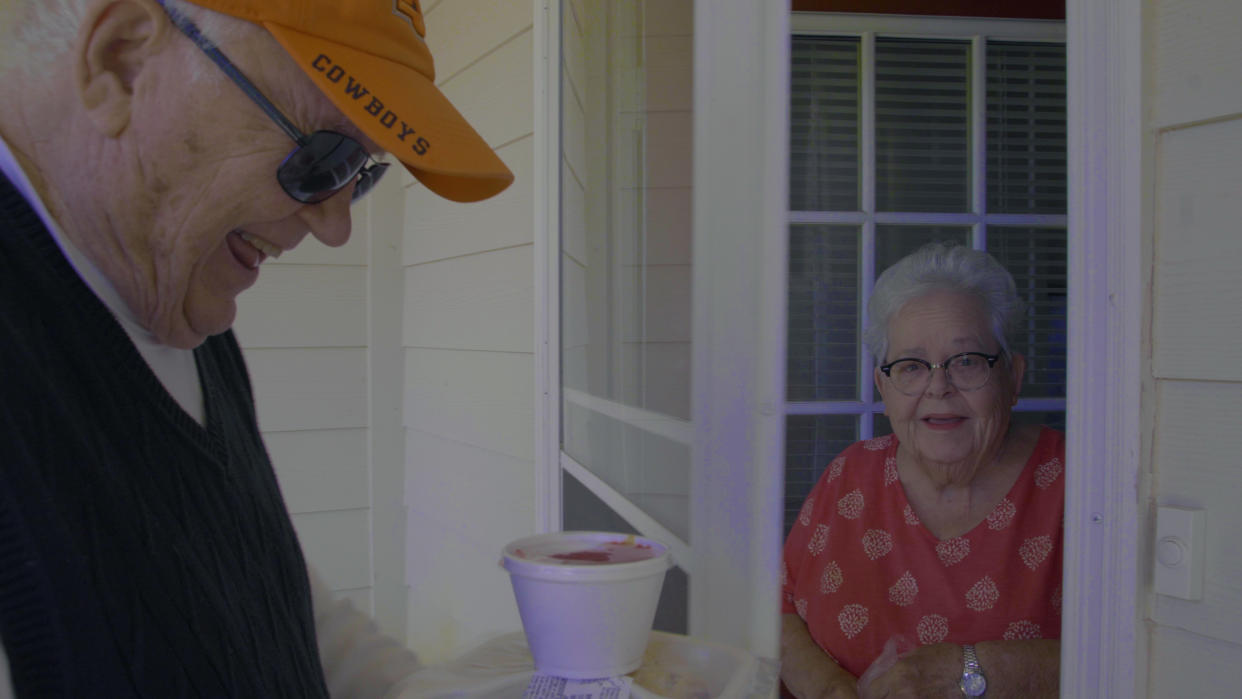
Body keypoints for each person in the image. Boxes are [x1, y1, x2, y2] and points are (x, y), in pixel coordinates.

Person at [0, 0, 512, 696]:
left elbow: (264, 597)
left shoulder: (177, 299)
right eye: (322, 155)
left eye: (359, 172)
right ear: (120, 61)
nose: (335, 226)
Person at [779, 243, 1063, 699]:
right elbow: (780, 606)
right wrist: (830, 690)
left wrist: (974, 669)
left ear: (1013, 378)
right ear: (883, 387)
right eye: (911, 367)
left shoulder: (1076, 485)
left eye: (967, 361)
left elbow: (1146, 648)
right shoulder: (850, 474)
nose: (938, 388)